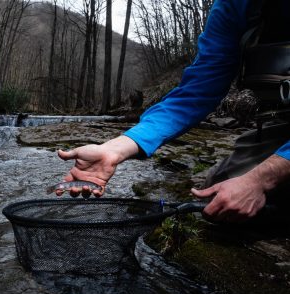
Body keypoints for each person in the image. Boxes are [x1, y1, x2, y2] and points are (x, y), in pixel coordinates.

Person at [57, 0, 290, 223]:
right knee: (220, 199)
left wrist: (261, 178)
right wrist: (117, 148)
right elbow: (197, 91)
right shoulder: (234, 6)